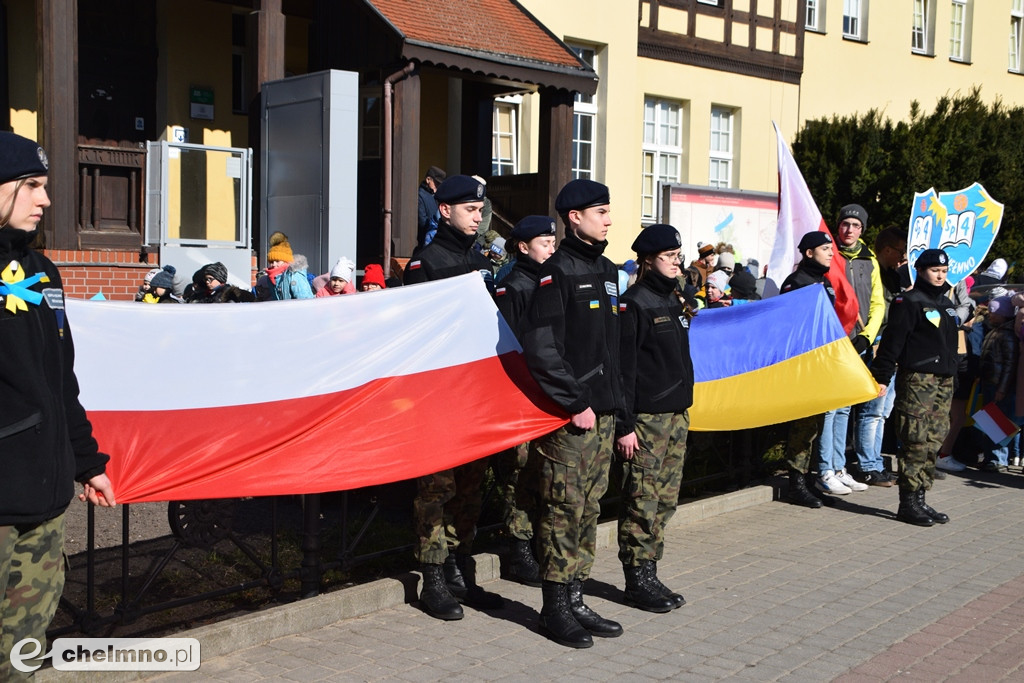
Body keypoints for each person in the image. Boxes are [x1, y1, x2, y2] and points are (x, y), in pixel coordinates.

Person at [0, 131, 116, 678]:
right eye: (32, 186)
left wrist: (87, 462)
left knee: (21, 655)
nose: (45, 201)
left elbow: (59, 379)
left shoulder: (45, 273)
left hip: (43, 510)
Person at [521, 178, 622, 648]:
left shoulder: (606, 270)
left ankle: (577, 596)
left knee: (588, 510)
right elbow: (542, 350)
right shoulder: (555, 272)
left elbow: (611, 347)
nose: (608, 218)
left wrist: (615, 408)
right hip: (571, 419)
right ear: (574, 218)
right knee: (562, 510)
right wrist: (575, 401)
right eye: (600, 211)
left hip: (602, 417)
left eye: (607, 211)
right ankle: (554, 607)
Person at [403, 175, 502, 622]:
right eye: (470, 210)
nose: (478, 217)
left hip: (476, 396)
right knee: (436, 492)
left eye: (480, 211)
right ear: (444, 210)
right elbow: (419, 334)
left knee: (469, 489)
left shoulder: (480, 258)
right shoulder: (427, 263)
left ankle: (462, 571)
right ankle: (433, 579)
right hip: (439, 398)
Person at [615, 223, 693, 615]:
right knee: (642, 501)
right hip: (647, 420)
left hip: (675, 418)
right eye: (670, 258)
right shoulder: (635, 303)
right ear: (648, 260)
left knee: (664, 501)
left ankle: (651, 569)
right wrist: (626, 426)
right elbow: (624, 371)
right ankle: (636, 579)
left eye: (678, 256)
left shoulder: (672, 300)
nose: (677, 263)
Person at [871, 248, 958, 526]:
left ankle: (921, 497)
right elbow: (892, 342)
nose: (940, 275)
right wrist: (882, 376)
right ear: (920, 271)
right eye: (935, 271)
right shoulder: (908, 302)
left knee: (934, 439)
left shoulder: (945, 304)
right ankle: (907, 503)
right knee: (916, 439)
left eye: (943, 271)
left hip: (943, 380)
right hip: (919, 380)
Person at [493, 215, 557, 587]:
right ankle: (518, 550)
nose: (551, 247)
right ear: (522, 246)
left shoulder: (545, 280)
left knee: (537, 473)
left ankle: (531, 542)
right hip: (521, 394)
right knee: (517, 472)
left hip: (545, 392)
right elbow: (513, 346)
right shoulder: (514, 285)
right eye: (544, 242)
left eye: (552, 242)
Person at [815, 204, 880, 495]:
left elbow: (878, 302)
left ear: (862, 230)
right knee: (830, 408)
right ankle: (824, 469)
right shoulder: (830, 255)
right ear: (837, 227)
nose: (849, 230)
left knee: (845, 409)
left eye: (855, 225)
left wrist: (867, 336)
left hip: (859, 343)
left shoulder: (870, 259)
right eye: (845, 225)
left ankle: (840, 467)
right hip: (834, 342)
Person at [779, 231, 839, 508]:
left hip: (821, 364)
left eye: (831, 249)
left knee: (816, 424)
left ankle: (809, 477)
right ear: (809, 253)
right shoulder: (796, 283)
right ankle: (796, 482)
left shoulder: (824, 283)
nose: (830, 253)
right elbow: (788, 326)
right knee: (802, 426)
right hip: (802, 365)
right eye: (825, 248)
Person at [852, 226, 906, 487]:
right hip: (878, 345)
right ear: (887, 250)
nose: (902, 258)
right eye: (900, 251)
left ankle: (874, 460)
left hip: (891, 347)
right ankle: (867, 465)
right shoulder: (872, 271)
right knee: (872, 409)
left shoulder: (894, 277)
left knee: (882, 411)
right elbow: (877, 311)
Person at [978, 296, 1020, 472]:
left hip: (998, 386)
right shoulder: (997, 331)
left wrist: (1002, 389)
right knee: (990, 422)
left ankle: (998, 459)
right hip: (990, 383)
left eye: (993, 312)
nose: (990, 314)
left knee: (999, 423)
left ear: (1003, 314)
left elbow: (1010, 365)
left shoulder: (1007, 335)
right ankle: (991, 457)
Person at [416, 165, 446, 252]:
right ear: (428, 180)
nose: (438, 187)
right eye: (436, 183)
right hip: (425, 242)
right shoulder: (420, 195)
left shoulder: (436, 196)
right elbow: (422, 222)